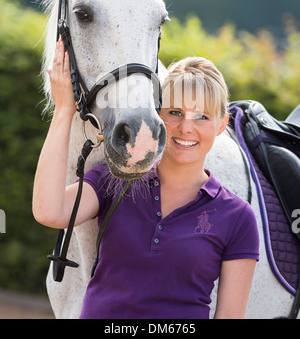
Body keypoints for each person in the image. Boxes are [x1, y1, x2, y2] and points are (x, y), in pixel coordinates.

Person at [33, 38, 259, 319]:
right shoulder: (115, 178)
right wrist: (63, 110)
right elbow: (49, 211)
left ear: (221, 125)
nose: (186, 127)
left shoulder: (237, 217)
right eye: (175, 113)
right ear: (157, 114)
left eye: (201, 117)